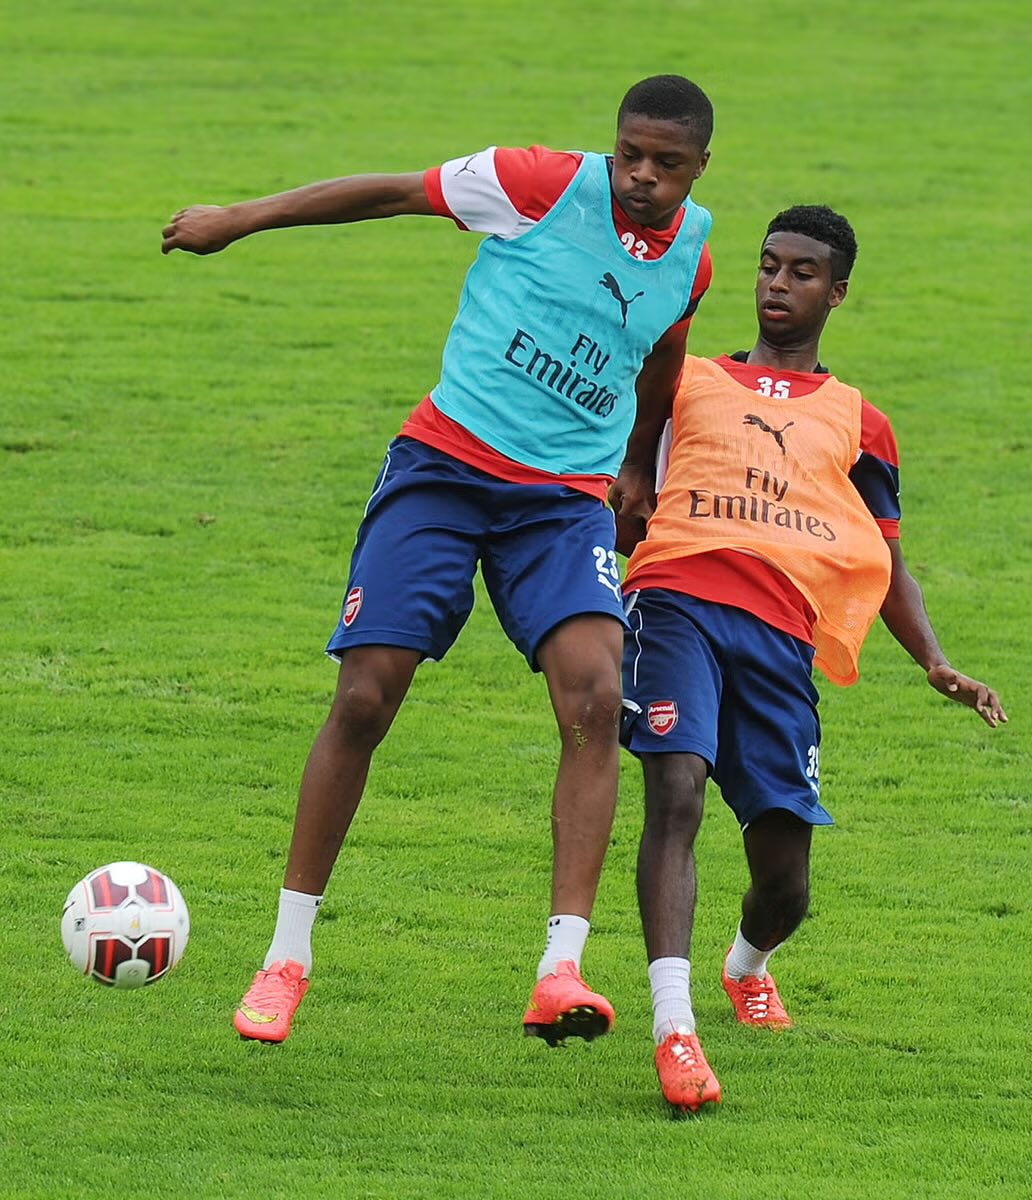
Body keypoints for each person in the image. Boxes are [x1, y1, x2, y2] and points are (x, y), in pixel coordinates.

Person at [161, 76, 714, 1046]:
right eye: (630, 153)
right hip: (445, 468)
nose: (642, 175)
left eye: (666, 164)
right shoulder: (535, 182)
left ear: (699, 168)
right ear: (612, 143)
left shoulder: (695, 250)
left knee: (593, 696)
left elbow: (664, 351)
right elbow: (389, 192)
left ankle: (561, 969)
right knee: (369, 692)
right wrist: (238, 220)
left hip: (562, 502)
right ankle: (286, 956)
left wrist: (636, 463)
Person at [613, 204, 1006, 1110]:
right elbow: (621, 477)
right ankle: (674, 1030)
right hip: (675, 602)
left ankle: (747, 965)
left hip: (782, 639)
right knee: (674, 793)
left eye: (800, 272)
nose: (776, 284)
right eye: (767, 266)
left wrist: (937, 663)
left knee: (784, 883)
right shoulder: (687, 380)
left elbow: (887, 554)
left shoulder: (861, 423)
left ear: (837, 292)